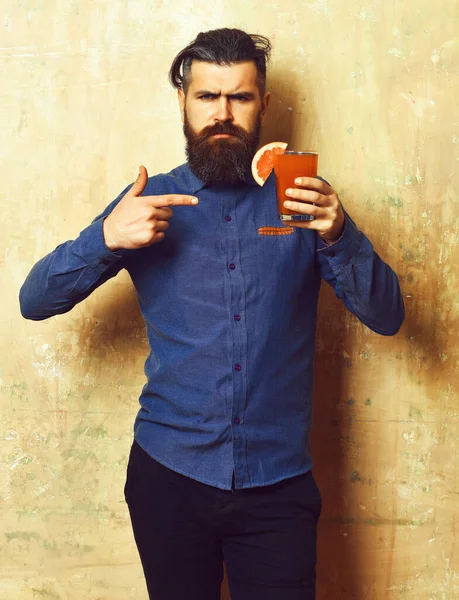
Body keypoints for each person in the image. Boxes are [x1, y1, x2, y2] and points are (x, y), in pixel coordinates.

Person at [19, 27, 404, 600]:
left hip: (279, 486)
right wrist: (106, 238)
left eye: (240, 97)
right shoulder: (146, 202)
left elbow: (388, 315)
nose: (222, 114)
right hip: (169, 477)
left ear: (263, 104)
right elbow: (35, 300)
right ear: (183, 101)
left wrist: (340, 234)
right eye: (206, 97)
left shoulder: (304, 201)